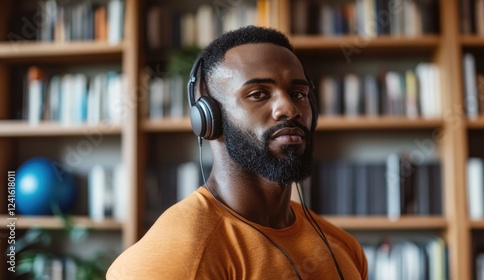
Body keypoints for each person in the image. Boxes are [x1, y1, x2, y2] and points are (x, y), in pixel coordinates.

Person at [107, 25, 368, 280]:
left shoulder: (344, 247)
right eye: (258, 94)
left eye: (298, 93)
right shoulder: (175, 260)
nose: (289, 108)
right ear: (209, 119)